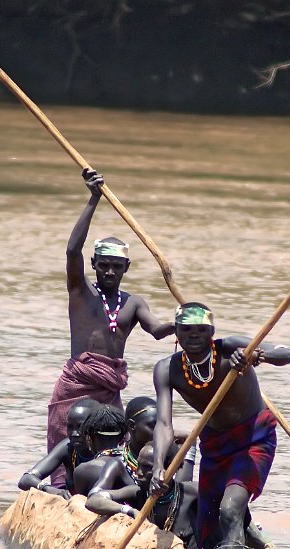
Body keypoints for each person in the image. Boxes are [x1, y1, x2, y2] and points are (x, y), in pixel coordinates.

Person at [46, 168, 174, 488]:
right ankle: (62, 490)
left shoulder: (133, 303)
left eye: (116, 266)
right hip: (76, 384)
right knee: (68, 442)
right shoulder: (81, 291)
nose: (109, 271)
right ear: (94, 264)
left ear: (126, 268)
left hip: (108, 390)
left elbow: (157, 330)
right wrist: (93, 199)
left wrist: (182, 325)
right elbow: (72, 251)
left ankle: (108, 492)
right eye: (103, 265)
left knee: (113, 444)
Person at [150, 302, 290, 549]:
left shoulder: (230, 349)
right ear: (176, 333)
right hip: (215, 445)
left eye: (201, 329)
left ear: (212, 332)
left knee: (229, 509)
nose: (194, 335)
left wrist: (255, 355)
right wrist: (158, 466)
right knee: (208, 519)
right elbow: (163, 424)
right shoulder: (167, 369)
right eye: (187, 329)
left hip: (253, 439)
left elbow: (287, 354)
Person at [85, 397, 199, 549]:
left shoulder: (190, 492)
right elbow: (93, 499)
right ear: (132, 426)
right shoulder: (136, 490)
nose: (139, 473)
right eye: (153, 425)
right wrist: (130, 511)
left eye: (148, 468)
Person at [18, 397, 100, 499]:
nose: (74, 433)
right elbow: (26, 479)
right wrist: (49, 489)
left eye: (80, 427)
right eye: (70, 427)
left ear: (95, 426)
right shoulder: (68, 448)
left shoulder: (109, 453)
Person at [71, 403, 130, 496]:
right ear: (122, 438)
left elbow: (83, 502)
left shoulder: (83, 470)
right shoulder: (134, 463)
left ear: (89, 439)